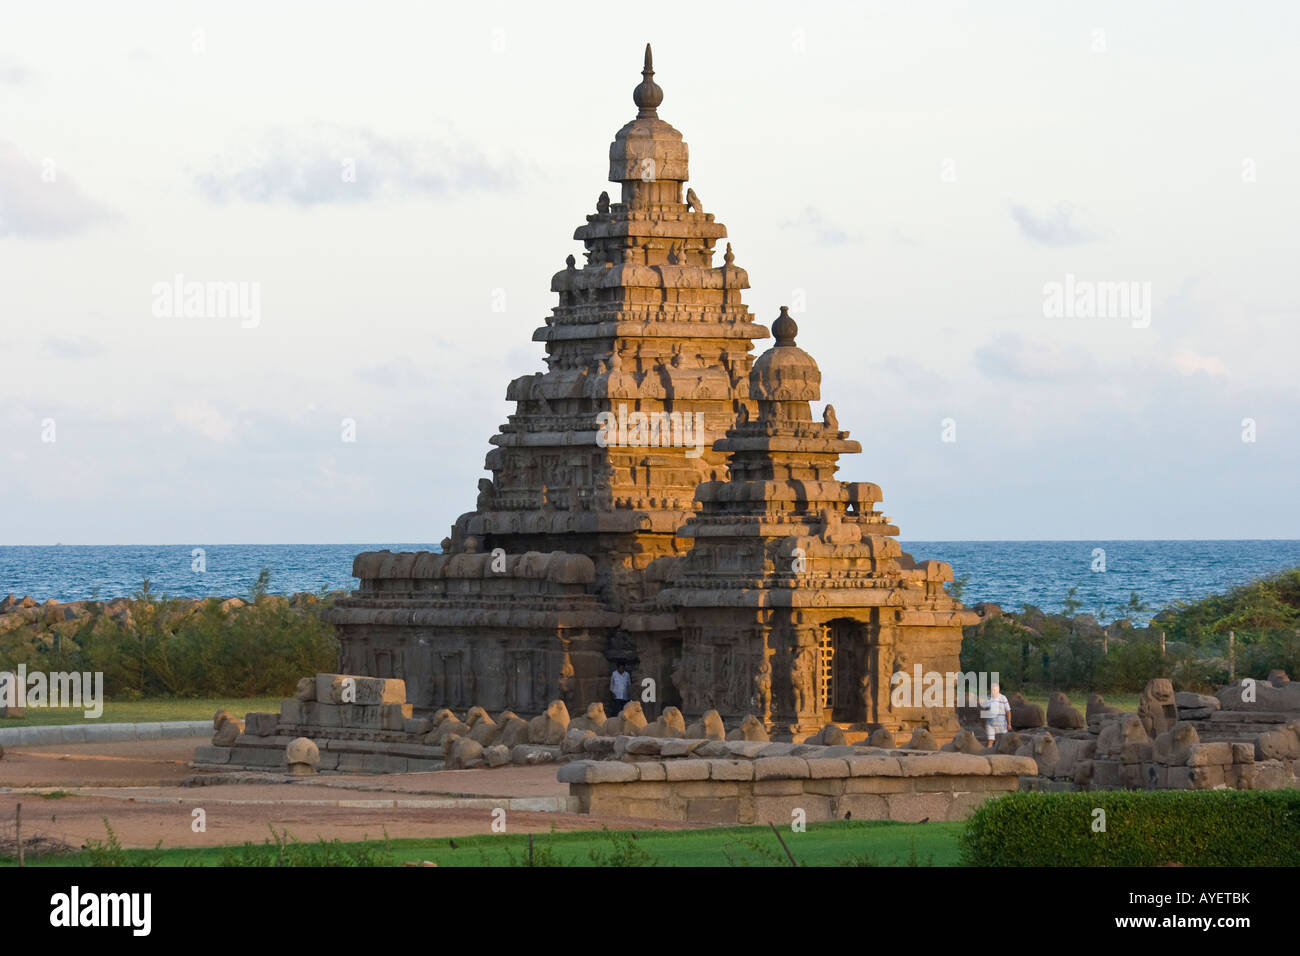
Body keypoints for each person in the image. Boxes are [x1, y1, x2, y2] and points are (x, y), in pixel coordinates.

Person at [983, 682, 1011, 747]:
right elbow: (984, 710)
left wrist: (1009, 723)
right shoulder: (988, 698)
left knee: (1003, 740)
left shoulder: (1003, 698)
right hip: (990, 723)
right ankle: (988, 754)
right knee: (990, 740)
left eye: (995, 689)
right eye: (992, 689)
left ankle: (1002, 755)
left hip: (1002, 723)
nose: (993, 691)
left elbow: (1008, 711)